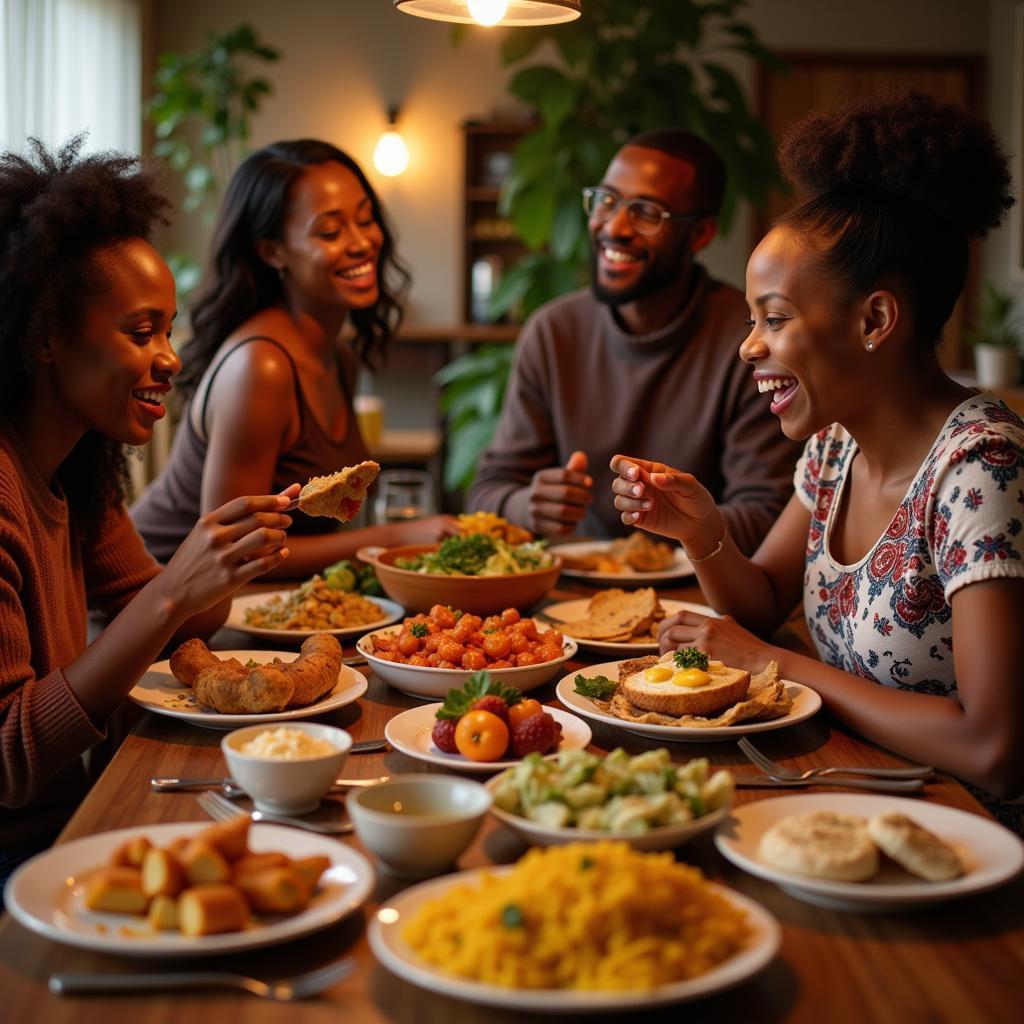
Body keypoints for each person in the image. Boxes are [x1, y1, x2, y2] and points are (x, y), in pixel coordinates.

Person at [611, 92, 1024, 825]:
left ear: (874, 320)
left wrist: (776, 667)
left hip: (965, 835)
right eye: (750, 320)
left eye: (775, 318)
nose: (749, 346)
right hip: (847, 790)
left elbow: (993, 745)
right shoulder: (837, 445)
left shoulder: (981, 469)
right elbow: (763, 604)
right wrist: (701, 532)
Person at [0, 137, 298, 884]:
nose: (169, 357)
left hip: (82, 813)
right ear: (45, 338)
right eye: (141, 333)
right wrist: (173, 590)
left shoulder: (75, 470)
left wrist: (227, 559)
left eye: (168, 329)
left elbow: (171, 620)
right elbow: (10, 760)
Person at [131, 139, 453, 577]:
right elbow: (238, 551)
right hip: (162, 607)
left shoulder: (339, 357)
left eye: (365, 219)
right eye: (331, 231)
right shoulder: (262, 367)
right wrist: (394, 537)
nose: (362, 243)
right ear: (272, 251)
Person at [468, 128, 800, 548]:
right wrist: (526, 505)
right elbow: (487, 491)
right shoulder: (553, 333)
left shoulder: (749, 339)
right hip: (572, 588)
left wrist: (675, 524)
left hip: (701, 593)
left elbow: (768, 511)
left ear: (699, 234)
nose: (615, 226)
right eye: (606, 201)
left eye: (646, 212)